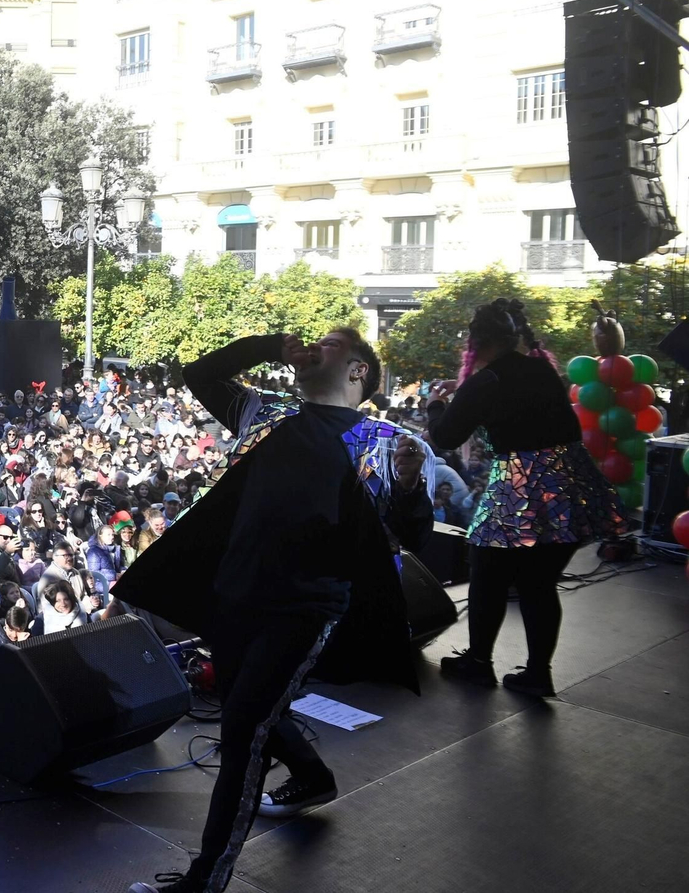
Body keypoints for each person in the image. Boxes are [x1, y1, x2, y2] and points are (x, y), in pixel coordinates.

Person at [114, 329, 430, 893]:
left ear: (359, 370)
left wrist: (409, 488)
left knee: (241, 727)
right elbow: (199, 374)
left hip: (303, 608)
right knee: (248, 706)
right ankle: (310, 776)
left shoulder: (381, 441)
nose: (314, 345)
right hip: (234, 596)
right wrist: (268, 345)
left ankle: (204, 881)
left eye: (331, 344)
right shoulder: (268, 411)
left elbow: (408, 535)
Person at [428, 298, 627, 698]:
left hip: (522, 483)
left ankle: (479, 662)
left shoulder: (487, 382)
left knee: (486, 569)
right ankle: (538, 673)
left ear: (476, 341)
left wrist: (435, 405)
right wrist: (466, 392)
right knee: (539, 583)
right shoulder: (539, 368)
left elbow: (446, 436)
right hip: (571, 482)